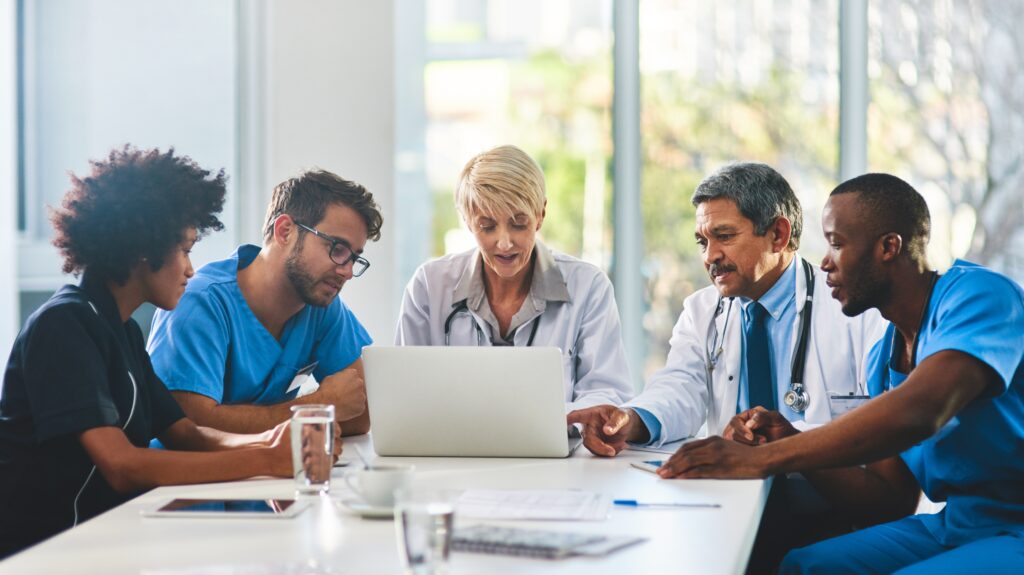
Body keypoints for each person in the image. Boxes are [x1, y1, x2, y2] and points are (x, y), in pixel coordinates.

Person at [661, 173, 1024, 574]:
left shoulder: (980, 297)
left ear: (889, 247)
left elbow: (922, 409)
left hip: (1017, 530)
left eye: (836, 243)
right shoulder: (883, 358)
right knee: (805, 566)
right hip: (957, 525)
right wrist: (793, 441)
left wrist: (762, 459)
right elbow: (888, 501)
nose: (825, 261)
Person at [567, 163, 886, 571]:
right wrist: (629, 419)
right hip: (735, 503)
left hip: (828, 506)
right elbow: (680, 388)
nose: (710, 256)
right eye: (702, 241)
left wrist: (781, 437)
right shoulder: (703, 311)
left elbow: (875, 434)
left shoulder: (853, 310)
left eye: (724, 236)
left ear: (778, 234)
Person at [0, 147, 313, 558]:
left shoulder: (123, 331)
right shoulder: (64, 326)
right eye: (184, 249)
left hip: (107, 549)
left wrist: (269, 443)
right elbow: (123, 466)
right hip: (45, 557)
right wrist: (264, 461)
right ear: (142, 249)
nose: (190, 269)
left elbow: (184, 432)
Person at [395, 145, 633, 410]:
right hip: (452, 448)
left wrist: (560, 420)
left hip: (555, 449)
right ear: (466, 221)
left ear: (541, 215)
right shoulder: (429, 286)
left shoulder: (588, 287)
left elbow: (607, 393)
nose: (505, 243)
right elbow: (407, 392)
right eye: (487, 227)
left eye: (519, 224)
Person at [147, 169, 382, 434]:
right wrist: (317, 407)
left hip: (273, 473)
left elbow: (359, 412)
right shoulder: (200, 303)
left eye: (354, 258)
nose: (347, 272)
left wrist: (314, 411)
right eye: (337, 249)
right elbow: (191, 427)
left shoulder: (321, 307)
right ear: (284, 231)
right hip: (198, 475)